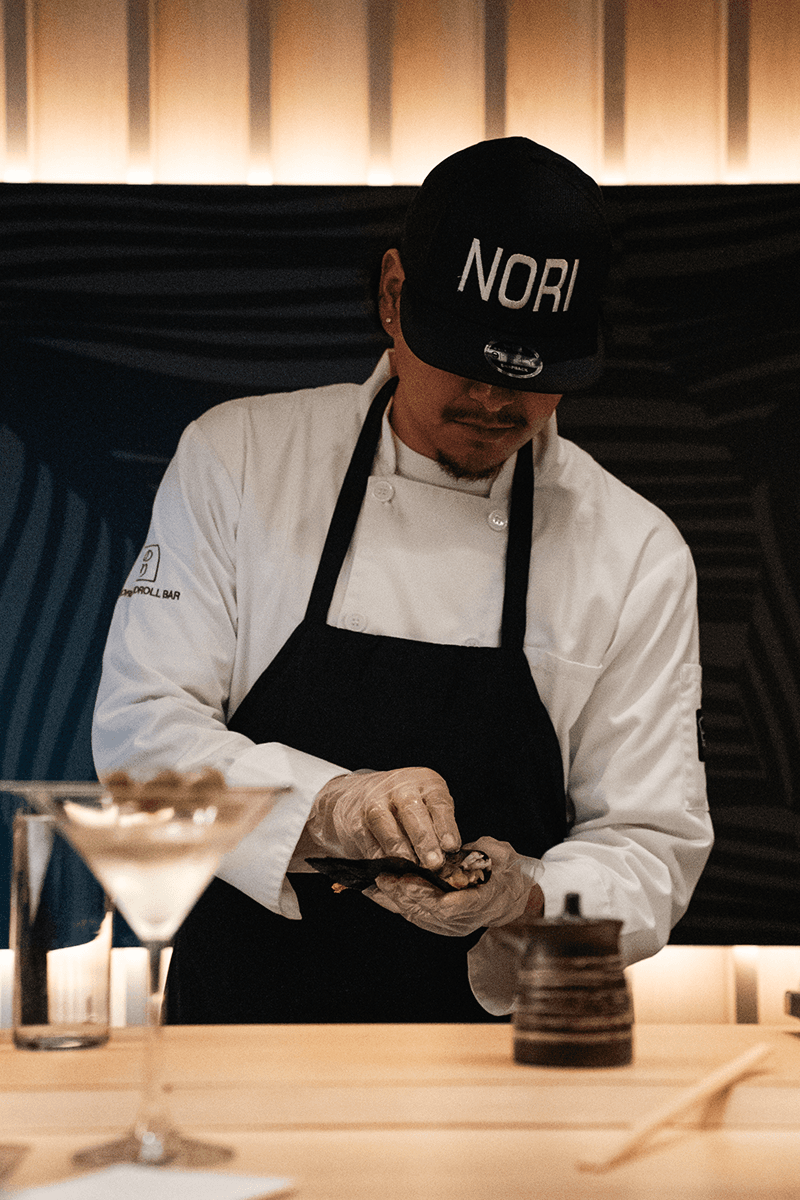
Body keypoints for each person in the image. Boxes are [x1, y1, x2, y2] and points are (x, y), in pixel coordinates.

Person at [92, 137, 713, 1023]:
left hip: (500, 1063)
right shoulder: (239, 459)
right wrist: (328, 805)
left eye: (531, 377)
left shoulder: (635, 549)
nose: (493, 402)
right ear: (393, 295)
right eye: (467, 360)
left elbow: (651, 847)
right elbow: (141, 739)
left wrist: (525, 897)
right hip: (236, 1040)